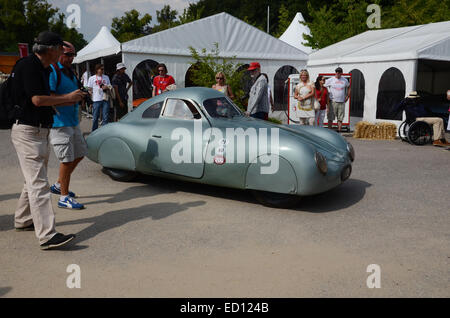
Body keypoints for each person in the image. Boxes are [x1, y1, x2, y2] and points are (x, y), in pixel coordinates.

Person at [9, 31, 85, 250]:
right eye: (62, 48)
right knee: (39, 184)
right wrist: (69, 98)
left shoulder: (41, 67)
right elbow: (37, 99)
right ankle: (47, 235)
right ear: (51, 49)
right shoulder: (30, 66)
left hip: (38, 130)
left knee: (33, 179)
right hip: (28, 131)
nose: (64, 53)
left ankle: (23, 220)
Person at [48, 41, 87, 210]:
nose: (71, 58)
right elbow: (47, 97)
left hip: (72, 121)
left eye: (73, 55)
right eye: (68, 55)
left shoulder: (70, 72)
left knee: (80, 153)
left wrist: (81, 94)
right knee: (67, 159)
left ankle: (58, 185)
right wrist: (71, 97)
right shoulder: (53, 70)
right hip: (59, 123)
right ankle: (64, 197)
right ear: (58, 53)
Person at [324, 67, 350, 132]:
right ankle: (329, 131)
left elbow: (349, 87)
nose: (338, 73)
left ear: (342, 73)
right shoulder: (331, 79)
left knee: (340, 118)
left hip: (341, 101)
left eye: (339, 72)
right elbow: (324, 86)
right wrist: (327, 95)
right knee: (330, 117)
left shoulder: (345, 80)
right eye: (337, 72)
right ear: (335, 72)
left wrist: (347, 96)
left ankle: (339, 131)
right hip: (333, 101)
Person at [87, 64, 112, 131]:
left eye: (103, 69)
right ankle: (94, 131)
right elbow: (89, 88)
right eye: (101, 69)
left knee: (105, 117)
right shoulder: (92, 78)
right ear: (97, 69)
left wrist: (107, 87)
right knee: (95, 117)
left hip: (105, 99)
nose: (102, 71)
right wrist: (91, 97)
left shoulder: (106, 77)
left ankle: (104, 132)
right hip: (96, 99)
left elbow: (110, 86)